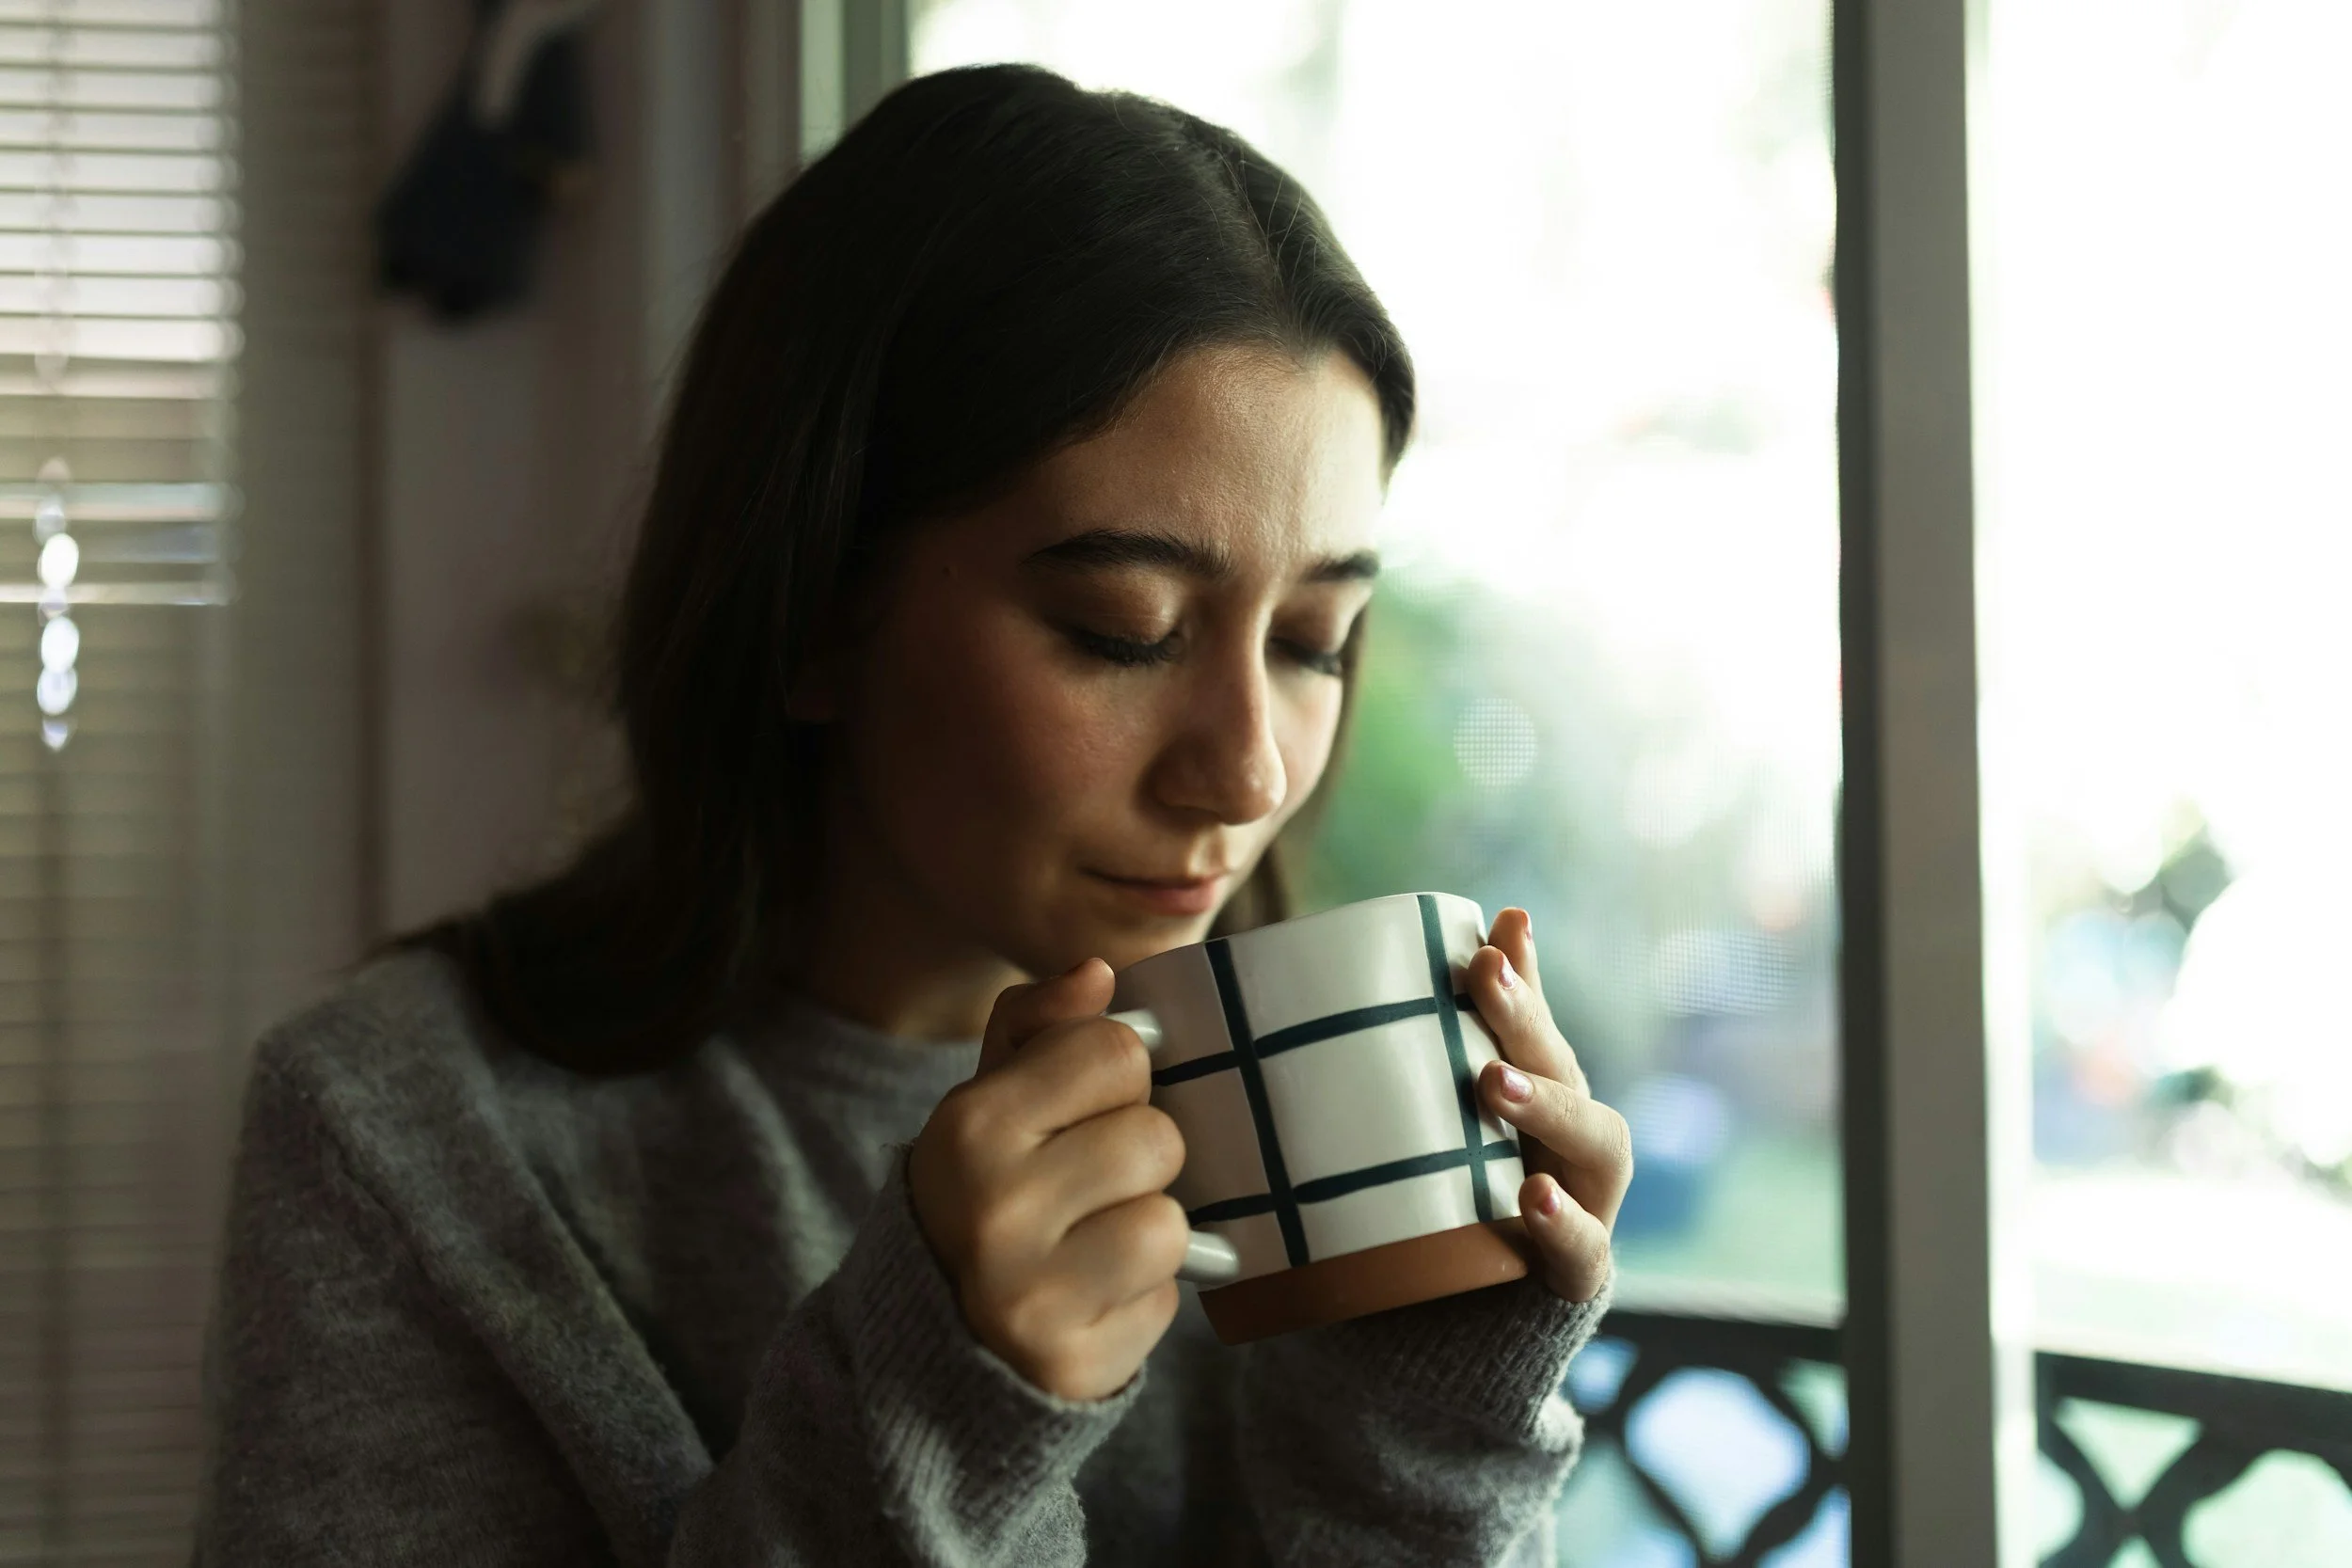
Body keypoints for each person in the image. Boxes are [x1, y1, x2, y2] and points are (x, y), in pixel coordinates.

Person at [191, 64, 1634, 1567]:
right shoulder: (409, 1137)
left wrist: (1432, 1426)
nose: (1253, 774)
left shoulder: (1340, 1119)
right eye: (1124, 627)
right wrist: (932, 1421)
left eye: (1309, 641)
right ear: (814, 608)